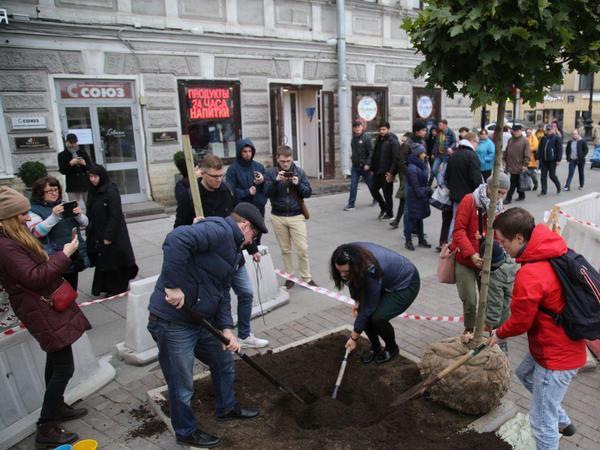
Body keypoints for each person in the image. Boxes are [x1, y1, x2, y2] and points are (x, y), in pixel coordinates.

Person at [148, 203, 267, 449]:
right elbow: (176, 239)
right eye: (254, 234)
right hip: (173, 322)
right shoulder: (219, 230)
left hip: (199, 321)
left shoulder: (234, 251)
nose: (252, 240)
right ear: (244, 226)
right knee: (181, 383)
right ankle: (186, 431)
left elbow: (222, 292)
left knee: (223, 360)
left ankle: (226, 407)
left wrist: (226, 329)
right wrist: (171, 285)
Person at [0, 186, 90, 448]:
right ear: (8, 217)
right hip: (39, 308)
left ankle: (57, 406)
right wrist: (64, 255)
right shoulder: (5, 246)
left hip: (43, 306)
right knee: (64, 367)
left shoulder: (12, 239)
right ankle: (46, 427)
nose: (28, 218)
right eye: (22, 214)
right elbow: (35, 277)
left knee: (56, 360)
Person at [490, 207, 586, 450]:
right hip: (561, 343)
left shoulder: (531, 274)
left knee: (542, 423)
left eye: (503, 241)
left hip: (554, 356)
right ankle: (563, 421)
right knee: (525, 374)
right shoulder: (552, 248)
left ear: (519, 238)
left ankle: (555, 423)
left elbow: (521, 321)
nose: (501, 247)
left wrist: (498, 335)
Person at [178, 155, 269, 349]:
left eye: (221, 175)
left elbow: (240, 220)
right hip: (209, 260)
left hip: (233, 254)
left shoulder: (227, 189)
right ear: (202, 173)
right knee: (219, 299)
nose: (219, 180)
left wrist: (252, 248)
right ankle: (220, 340)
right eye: (214, 176)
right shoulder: (191, 197)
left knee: (246, 292)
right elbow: (178, 231)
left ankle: (244, 334)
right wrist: (193, 226)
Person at [330, 242, 420, 364]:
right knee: (362, 313)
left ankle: (392, 348)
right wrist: (357, 301)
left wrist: (353, 338)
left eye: (346, 271)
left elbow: (369, 307)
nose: (342, 275)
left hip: (405, 284)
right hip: (383, 281)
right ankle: (376, 348)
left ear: (355, 266)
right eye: (339, 271)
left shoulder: (370, 269)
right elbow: (353, 281)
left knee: (377, 318)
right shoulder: (348, 253)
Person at [450, 173, 509, 333]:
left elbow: (498, 235)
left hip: (486, 261)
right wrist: (471, 254)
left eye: (504, 193)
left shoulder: (499, 208)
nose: (501, 196)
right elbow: (458, 230)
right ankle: (469, 329)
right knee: (470, 299)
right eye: (500, 192)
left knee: (488, 298)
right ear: (490, 188)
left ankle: (485, 329)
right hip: (466, 259)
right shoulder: (470, 200)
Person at [264, 145, 317, 289]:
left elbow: (307, 193)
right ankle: (289, 277)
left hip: (296, 215)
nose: (285, 164)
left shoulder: (299, 172)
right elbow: (266, 193)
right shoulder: (270, 173)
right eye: (282, 161)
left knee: (302, 249)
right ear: (277, 159)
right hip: (278, 216)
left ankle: (306, 278)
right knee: (285, 250)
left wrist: (298, 184)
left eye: (288, 161)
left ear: (292, 158)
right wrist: (275, 181)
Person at [27, 176, 89, 290]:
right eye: (50, 191)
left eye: (56, 190)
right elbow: (36, 233)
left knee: (72, 287)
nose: (54, 193)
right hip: (53, 257)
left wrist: (79, 215)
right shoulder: (33, 210)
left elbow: (85, 223)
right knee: (58, 291)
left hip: (73, 254)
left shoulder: (64, 205)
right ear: (40, 193)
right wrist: (53, 217)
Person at [86, 165, 138, 296]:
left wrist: (108, 235)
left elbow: (115, 215)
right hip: (99, 231)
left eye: (95, 176)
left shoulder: (110, 191)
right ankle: (108, 287)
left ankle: (117, 288)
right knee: (105, 260)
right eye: (90, 176)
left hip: (112, 233)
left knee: (115, 260)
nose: (92, 179)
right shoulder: (93, 192)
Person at [388, 120, 427, 229]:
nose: (425, 132)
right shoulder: (407, 145)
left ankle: (414, 228)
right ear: (416, 131)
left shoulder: (423, 142)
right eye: (423, 130)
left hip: (420, 176)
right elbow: (400, 161)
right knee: (405, 198)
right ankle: (399, 221)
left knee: (415, 200)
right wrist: (394, 173)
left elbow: (424, 159)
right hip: (408, 176)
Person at [445, 132, 483, 241]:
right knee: (464, 221)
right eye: (477, 142)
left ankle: (451, 243)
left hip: (455, 194)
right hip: (468, 195)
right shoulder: (472, 156)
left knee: (455, 219)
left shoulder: (454, 154)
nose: (477, 145)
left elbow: (447, 176)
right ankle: (456, 243)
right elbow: (476, 179)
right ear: (472, 141)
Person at [479, 240, 517, 349]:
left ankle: (500, 360)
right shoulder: (511, 263)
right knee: (502, 340)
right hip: (509, 313)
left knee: (497, 345)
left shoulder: (494, 278)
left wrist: (490, 322)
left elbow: (495, 302)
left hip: (499, 319)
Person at [226, 138, 268, 220]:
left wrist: (263, 180)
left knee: (258, 231)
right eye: (244, 151)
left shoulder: (259, 166)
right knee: (243, 231)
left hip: (258, 207)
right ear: (239, 152)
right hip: (241, 208)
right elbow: (230, 190)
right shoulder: (232, 169)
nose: (248, 154)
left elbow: (268, 187)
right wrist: (247, 192)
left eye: (250, 151)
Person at [403, 143, 431, 250]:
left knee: (420, 218)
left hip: (421, 194)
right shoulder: (412, 168)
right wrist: (425, 191)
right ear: (417, 154)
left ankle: (421, 240)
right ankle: (408, 241)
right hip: (414, 195)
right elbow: (415, 186)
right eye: (423, 153)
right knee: (412, 219)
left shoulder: (421, 164)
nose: (425, 154)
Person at [370, 122, 398, 220]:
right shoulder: (378, 139)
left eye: (384, 129)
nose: (381, 131)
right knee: (373, 189)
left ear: (388, 129)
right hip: (377, 171)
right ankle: (383, 207)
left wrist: (391, 173)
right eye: (380, 129)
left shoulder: (393, 141)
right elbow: (375, 154)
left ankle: (390, 214)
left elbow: (396, 159)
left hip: (387, 172)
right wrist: (372, 168)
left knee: (387, 194)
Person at [344, 120, 373, 211]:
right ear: (353, 128)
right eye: (355, 127)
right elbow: (354, 151)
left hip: (365, 166)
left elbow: (371, 152)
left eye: (359, 126)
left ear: (362, 127)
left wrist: (368, 164)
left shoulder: (366, 138)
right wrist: (352, 158)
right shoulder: (353, 139)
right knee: (353, 185)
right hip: (356, 167)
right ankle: (351, 204)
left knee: (370, 184)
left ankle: (377, 198)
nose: (357, 128)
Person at [57, 133, 92, 211]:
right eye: (71, 143)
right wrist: (71, 164)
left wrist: (84, 164)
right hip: (72, 184)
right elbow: (63, 170)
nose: (73, 145)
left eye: (75, 143)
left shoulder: (82, 152)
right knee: (73, 207)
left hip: (85, 183)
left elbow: (90, 167)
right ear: (67, 142)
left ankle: (91, 220)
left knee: (90, 205)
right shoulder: (62, 155)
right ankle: (76, 221)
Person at [503, 125, 531, 204]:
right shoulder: (511, 140)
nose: (515, 133)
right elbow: (507, 150)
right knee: (518, 182)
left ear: (520, 131)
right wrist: (504, 158)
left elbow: (527, 154)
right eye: (514, 131)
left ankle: (508, 198)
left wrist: (525, 165)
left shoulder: (524, 141)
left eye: (516, 131)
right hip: (511, 164)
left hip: (519, 165)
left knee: (513, 182)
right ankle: (522, 195)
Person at [173, 153, 201, 228]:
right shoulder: (181, 186)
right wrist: (194, 179)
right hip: (188, 223)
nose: (200, 171)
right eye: (197, 169)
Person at [537, 125, 563, 196]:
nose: (548, 131)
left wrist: (558, 160)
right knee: (543, 176)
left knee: (552, 175)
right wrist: (538, 157)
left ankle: (558, 186)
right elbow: (540, 148)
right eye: (547, 130)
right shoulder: (543, 138)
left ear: (552, 130)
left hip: (552, 160)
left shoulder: (556, 138)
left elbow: (560, 149)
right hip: (544, 160)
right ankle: (544, 190)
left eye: (549, 130)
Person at [429, 119, 456, 186]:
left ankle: (441, 184)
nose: (438, 126)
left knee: (443, 172)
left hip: (446, 156)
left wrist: (451, 148)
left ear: (445, 125)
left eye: (440, 125)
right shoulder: (439, 133)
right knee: (433, 170)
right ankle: (440, 181)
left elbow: (455, 142)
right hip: (438, 155)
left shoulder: (450, 132)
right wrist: (433, 153)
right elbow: (436, 144)